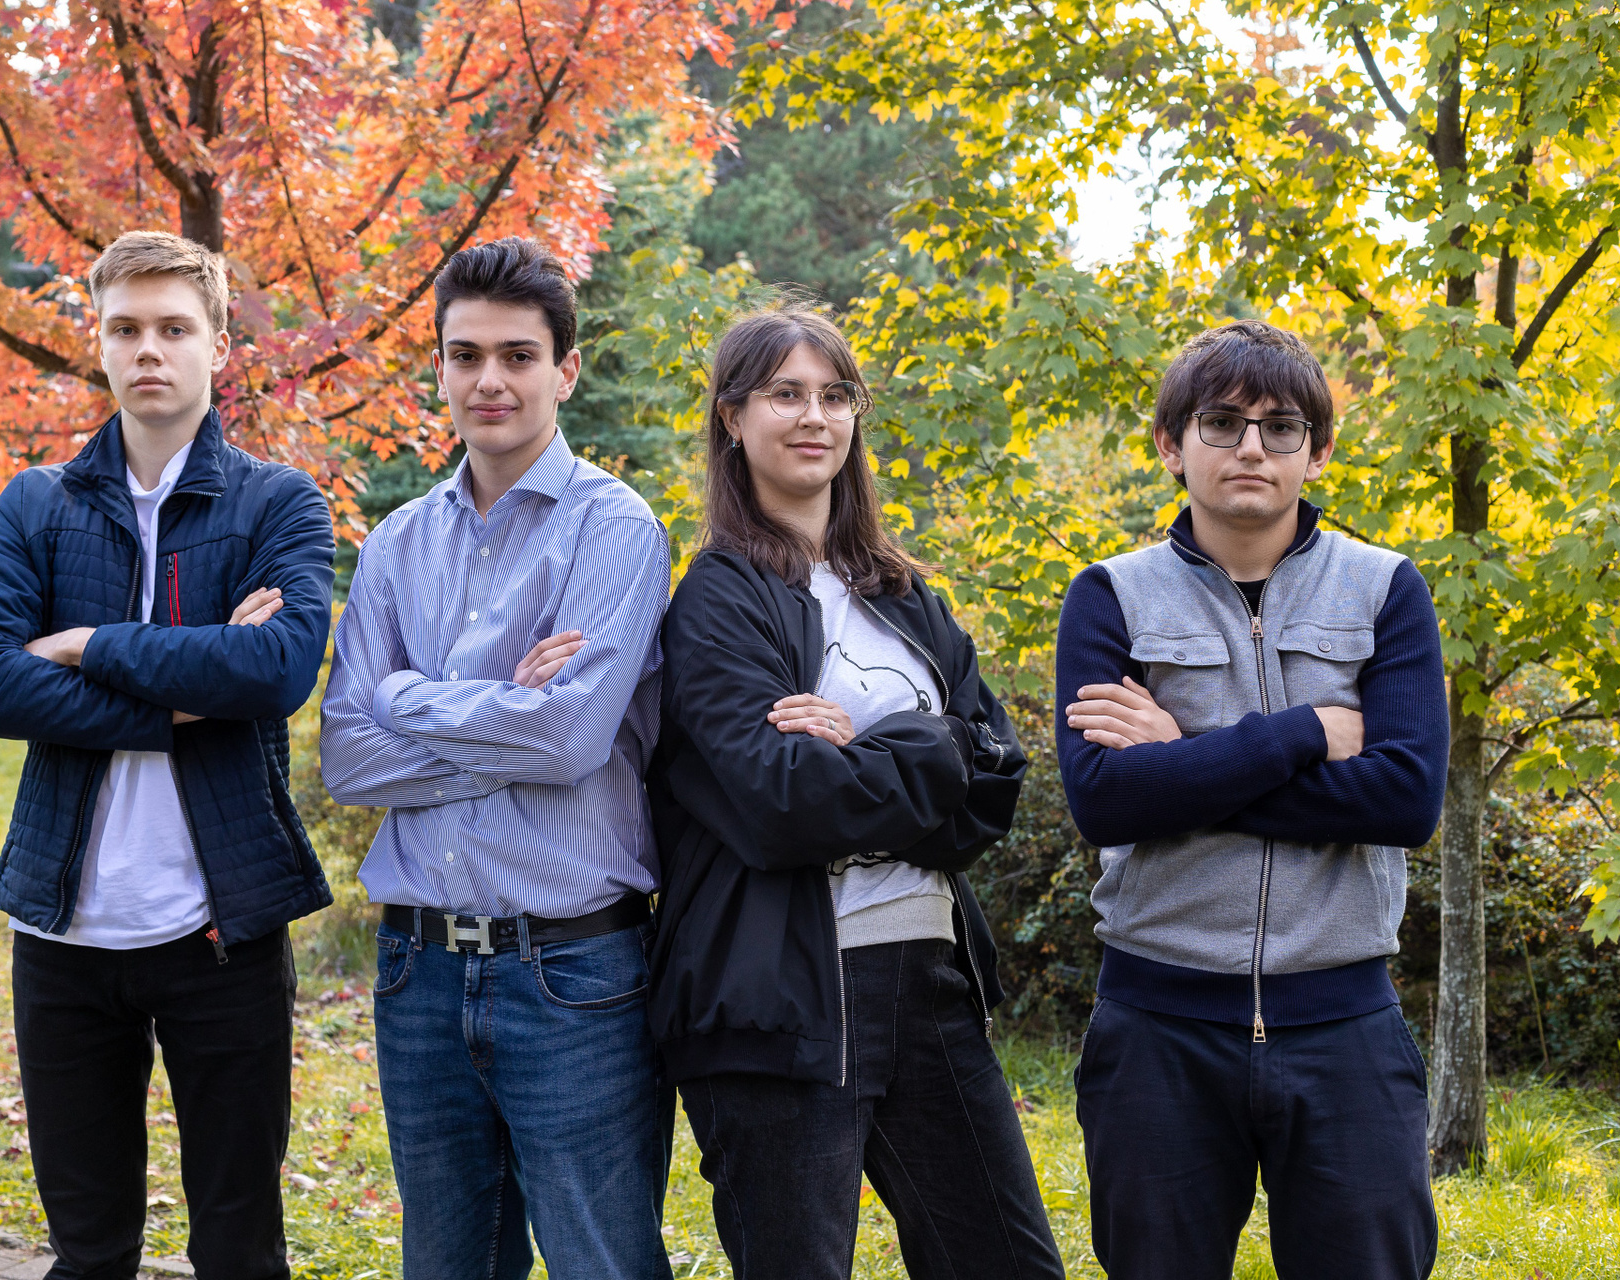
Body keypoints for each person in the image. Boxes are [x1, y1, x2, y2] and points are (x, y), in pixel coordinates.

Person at [646, 305, 1066, 1280]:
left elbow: (995, 780)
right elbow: (781, 801)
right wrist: (937, 747)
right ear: (731, 417)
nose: (815, 416)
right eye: (785, 394)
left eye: (835, 395)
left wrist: (882, 744)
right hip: (775, 1000)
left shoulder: (903, 595)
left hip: (931, 980)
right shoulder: (716, 600)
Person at [0, 230, 337, 1280]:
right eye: (125, 329)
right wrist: (181, 698)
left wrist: (82, 645)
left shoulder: (278, 503)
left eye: (174, 328)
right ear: (101, 344)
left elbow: (276, 671)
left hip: (221, 931)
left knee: (240, 1251)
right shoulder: (38, 503)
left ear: (219, 346)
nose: (148, 349)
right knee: (88, 1253)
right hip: (62, 933)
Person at [1055, 320, 1450, 1279]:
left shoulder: (1386, 590)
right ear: (1171, 443)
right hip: (1156, 1030)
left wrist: (1180, 764)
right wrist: (1301, 734)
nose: (1251, 448)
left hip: (1347, 1028)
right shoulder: (1109, 597)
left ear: (1318, 451)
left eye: (1281, 429)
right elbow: (1105, 801)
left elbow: (1405, 801)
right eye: (1222, 423)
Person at [317, 236, 675, 1279]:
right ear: (438, 368)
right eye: (465, 355)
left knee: (603, 1263)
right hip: (417, 970)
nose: (490, 380)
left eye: (519, 356)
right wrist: (506, 712)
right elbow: (348, 759)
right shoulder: (396, 544)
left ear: (566, 370)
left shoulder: (614, 528)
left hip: (573, 974)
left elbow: (568, 738)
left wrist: (407, 695)